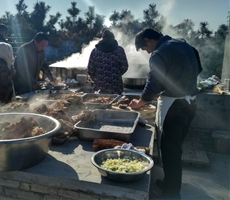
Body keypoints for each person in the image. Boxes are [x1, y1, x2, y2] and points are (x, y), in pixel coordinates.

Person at [129, 28, 202, 199]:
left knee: (170, 150)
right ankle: (170, 182)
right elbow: (197, 68)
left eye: (146, 49)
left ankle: (171, 193)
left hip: (174, 107)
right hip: (190, 103)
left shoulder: (159, 53)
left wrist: (140, 103)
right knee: (175, 148)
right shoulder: (183, 44)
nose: (148, 52)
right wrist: (172, 84)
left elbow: (153, 83)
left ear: (148, 40)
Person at [87, 29, 129, 94]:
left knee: (100, 102)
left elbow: (90, 69)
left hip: (100, 85)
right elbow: (124, 67)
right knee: (117, 103)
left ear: (103, 38)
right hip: (116, 85)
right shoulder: (120, 50)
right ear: (113, 38)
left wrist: (97, 78)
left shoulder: (95, 51)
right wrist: (116, 74)